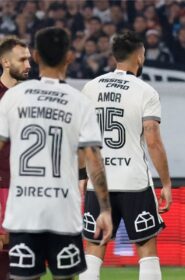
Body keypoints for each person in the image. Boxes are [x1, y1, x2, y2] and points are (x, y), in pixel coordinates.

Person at [0, 27, 113, 280]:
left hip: (23, 213)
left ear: (37, 56)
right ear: (69, 56)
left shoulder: (13, 98)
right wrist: (105, 210)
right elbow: (94, 160)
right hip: (63, 210)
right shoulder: (79, 101)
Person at [79, 30, 172, 280]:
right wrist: (166, 183)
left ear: (114, 56)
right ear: (140, 56)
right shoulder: (145, 91)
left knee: (95, 247)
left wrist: (81, 176)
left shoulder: (90, 87)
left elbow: (81, 138)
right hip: (133, 181)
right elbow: (152, 140)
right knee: (146, 249)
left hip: (98, 181)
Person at [0, 36, 31, 280]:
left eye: (29, 59)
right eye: (23, 59)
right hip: (3, 186)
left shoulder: (34, 97)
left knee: (29, 260)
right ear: (5, 62)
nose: (29, 64)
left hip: (31, 189)